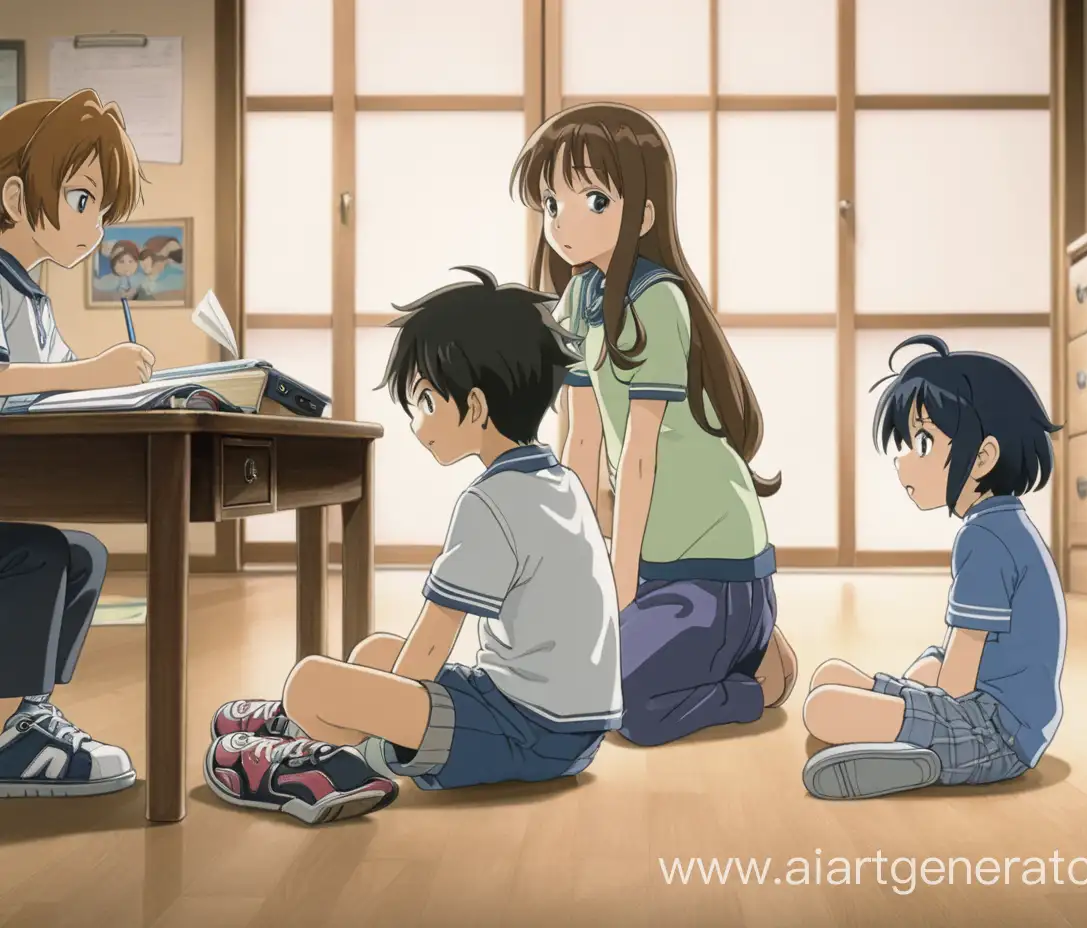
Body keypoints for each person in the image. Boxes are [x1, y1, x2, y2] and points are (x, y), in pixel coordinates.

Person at [205, 266, 623, 825]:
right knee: (373, 654)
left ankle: (326, 762)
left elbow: (432, 643)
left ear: (474, 407)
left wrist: (381, 711)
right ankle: (327, 732)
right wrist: (379, 697)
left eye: (425, 401)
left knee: (313, 681)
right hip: (577, 729)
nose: (416, 422)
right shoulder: (559, 481)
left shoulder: (492, 502)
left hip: (528, 731)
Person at [510, 102, 798, 747]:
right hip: (656, 562)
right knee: (568, 683)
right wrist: (574, 566)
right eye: (550, 205)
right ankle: (719, 648)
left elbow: (641, 456)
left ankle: (760, 676)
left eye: (591, 199)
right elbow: (581, 442)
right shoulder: (577, 300)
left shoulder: (657, 299)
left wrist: (619, 589)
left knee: (627, 711)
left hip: (712, 567)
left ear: (642, 213)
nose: (563, 222)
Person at [801, 335, 1066, 799]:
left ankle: (922, 757)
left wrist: (914, 709)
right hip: (1008, 712)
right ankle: (909, 742)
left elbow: (960, 680)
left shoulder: (986, 539)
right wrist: (913, 694)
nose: (904, 460)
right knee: (832, 674)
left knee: (823, 706)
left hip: (998, 734)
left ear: (982, 457)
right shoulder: (1001, 523)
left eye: (922, 442)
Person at [0, 89, 157, 797]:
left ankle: (28, 716)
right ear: (14, 195)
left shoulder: (31, 295)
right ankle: (16, 734)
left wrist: (114, 388)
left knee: (81, 553)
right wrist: (90, 374)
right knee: (35, 554)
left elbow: (55, 384)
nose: (94, 228)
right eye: (83, 200)